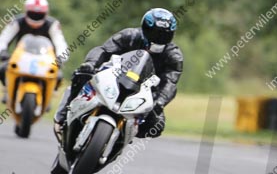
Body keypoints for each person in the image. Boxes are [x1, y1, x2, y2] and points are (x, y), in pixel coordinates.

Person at [53, 8, 183, 140]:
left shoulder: (174, 56)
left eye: (164, 35)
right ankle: (63, 117)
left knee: (156, 126)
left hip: (144, 93)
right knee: (81, 75)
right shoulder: (129, 35)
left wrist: (159, 102)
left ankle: (122, 137)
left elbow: (170, 82)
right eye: (154, 33)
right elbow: (103, 50)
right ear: (144, 28)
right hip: (115, 78)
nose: (158, 38)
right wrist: (91, 64)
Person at [0, 0, 68, 89]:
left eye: (39, 14)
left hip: (45, 62)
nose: (36, 17)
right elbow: (3, 39)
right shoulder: (16, 22)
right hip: (19, 59)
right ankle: (8, 91)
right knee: (3, 69)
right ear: (26, 11)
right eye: (33, 14)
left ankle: (48, 97)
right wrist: (3, 52)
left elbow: (60, 43)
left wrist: (61, 58)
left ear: (46, 13)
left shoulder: (53, 25)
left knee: (58, 76)